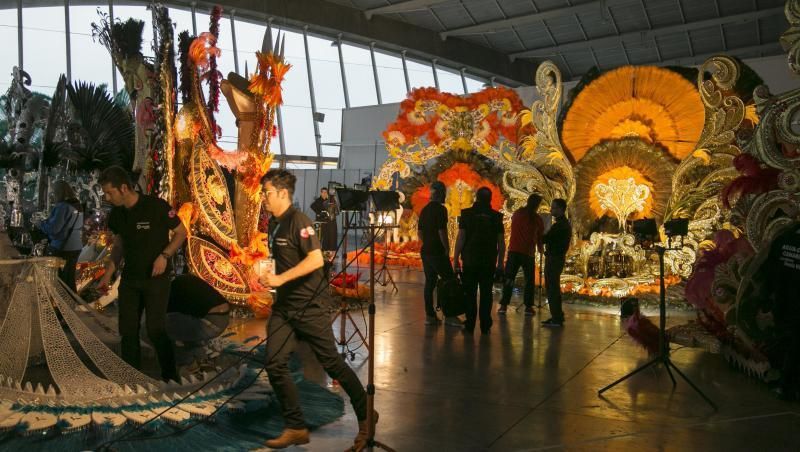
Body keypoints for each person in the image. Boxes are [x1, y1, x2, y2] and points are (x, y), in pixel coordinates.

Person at [257, 169, 372, 450]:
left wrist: (281, 278)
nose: (264, 198)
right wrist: (266, 273)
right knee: (274, 363)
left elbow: (316, 259)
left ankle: (367, 418)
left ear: (283, 193)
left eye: (267, 193)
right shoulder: (274, 223)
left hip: (310, 307)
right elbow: (281, 259)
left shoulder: (300, 221)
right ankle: (295, 426)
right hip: (284, 308)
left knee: (332, 364)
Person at [97, 166, 187, 382]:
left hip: (156, 279)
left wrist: (165, 256)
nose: (107, 197)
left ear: (124, 188)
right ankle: (131, 377)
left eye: (110, 192)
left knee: (156, 329)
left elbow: (181, 232)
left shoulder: (156, 207)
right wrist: (109, 272)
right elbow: (119, 244)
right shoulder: (117, 214)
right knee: (127, 331)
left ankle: (170, 376)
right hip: (130, 279)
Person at [454, 187, 505, 334]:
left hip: (469, 260)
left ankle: (470, 324)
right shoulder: (496, 217)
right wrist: (500, 262)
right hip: (488, 261)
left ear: (476, 197)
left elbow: (461, 237)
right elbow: (501, 242)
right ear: (490, 199)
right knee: (486, 293)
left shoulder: (467, 214)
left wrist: (456, 258)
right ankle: (485, 324)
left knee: (469, 293)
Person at [166, 274, 230, 372]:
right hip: (221, 318)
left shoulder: (173, 288)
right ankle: (201, 359)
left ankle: (189, 364)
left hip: (211, 322)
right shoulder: (183, 279)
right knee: (182, 325)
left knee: (162, 328)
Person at [418, 181, 460, 326]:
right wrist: (447, 248)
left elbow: (420, 233)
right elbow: (442, 231)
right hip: (437, 251)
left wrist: (428, 242)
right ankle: (450, 315)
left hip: (426, 251)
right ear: (440, 193)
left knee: (430, 283)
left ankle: (430, 316)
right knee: (450, 280)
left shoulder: (424, 210)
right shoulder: (441, 210)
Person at [499, 194, 545, 316]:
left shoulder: (518, 214)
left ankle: (504, 304)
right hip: (528, 253)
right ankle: (528, 306)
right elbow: (540, 237)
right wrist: (540, 249)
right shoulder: (537, 219)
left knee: (509, 278)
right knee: (529, 281)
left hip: (514, 251)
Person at [39, 180, 84, 291]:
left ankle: (60, 305)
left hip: (62, 248)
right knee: (69, 279)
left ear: (59, 193)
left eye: (54, 193)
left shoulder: (62, 207)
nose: (53, 196)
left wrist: (40, 224)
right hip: (76, 247)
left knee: (58, 281)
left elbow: (54, 229)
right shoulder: (77, 205)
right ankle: (71, 303)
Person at [541, 198, 571, 327]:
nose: (551, 210)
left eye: (553, 208)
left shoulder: (560, 225)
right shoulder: (562, 224)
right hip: (555, 258)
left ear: (560, 209)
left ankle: (556, 317)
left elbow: (547, 239)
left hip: (554, 259)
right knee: (553, 286)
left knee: (552, 287)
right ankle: (557, 315)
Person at [310, 187, 338, 252]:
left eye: (325, 192)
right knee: (321, 236)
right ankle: (319, 250)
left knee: (328, 235)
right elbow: (312, 206)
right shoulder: (318, 200)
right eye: (323, 192)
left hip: (327, 221)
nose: (324, 194)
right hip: (320, 221)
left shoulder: (328, 200)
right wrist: (319, 213)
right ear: (321, 193)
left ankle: (328, 250)